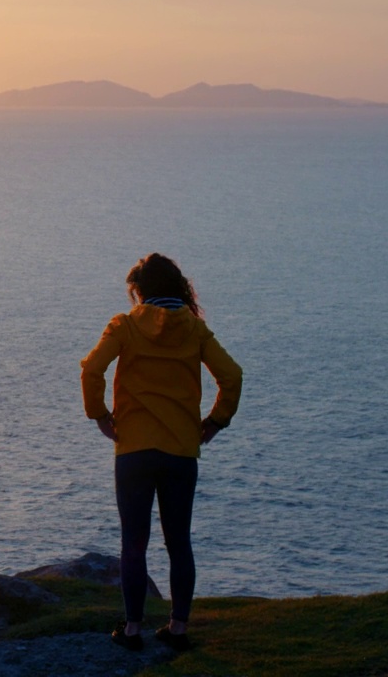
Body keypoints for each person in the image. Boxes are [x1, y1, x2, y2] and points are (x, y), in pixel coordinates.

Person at [80, 253, 242, 652]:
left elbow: (91, 370)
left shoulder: (125, 325)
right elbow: (232, 376)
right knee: (179, 542)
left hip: (133, 448)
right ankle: (178, 628)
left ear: (141, 290)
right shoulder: (195, 330)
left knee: (133, 542)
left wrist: (100, 415)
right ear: (178, 288)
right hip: (180, 451)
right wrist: (215, 422)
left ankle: (132, 630)